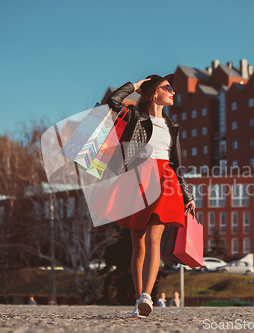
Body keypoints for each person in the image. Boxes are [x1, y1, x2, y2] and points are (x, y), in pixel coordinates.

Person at [101, 75, 195, 318]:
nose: (173, 92)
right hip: (138, 180)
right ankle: (138, 298)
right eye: (168, 88)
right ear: (154, 93)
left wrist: (187, 195)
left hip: (166, 182)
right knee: (138, 244)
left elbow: (177, 164)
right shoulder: (136, 117)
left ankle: (146, 296)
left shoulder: (172, 126)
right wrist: (135, 86)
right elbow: (112, 101)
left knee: (155, 239)